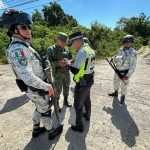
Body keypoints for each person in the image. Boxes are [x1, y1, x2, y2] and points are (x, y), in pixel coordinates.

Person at [2, 9, 63, 140]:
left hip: (36, 88)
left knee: (39, 107)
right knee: (46, 109)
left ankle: (36, 129)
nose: (28, 30)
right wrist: (48, 87)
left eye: (29, 26)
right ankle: (51, 131)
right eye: (24, 27)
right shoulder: (18, 49)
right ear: (14, 30)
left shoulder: (23, 45)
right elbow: (28, 77)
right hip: (36, 88)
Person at [66, 31, 95, 132]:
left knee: (77, 105)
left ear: (77, 41)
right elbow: (84, 63)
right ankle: (87, 115)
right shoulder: (89, 49)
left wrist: (68, 64)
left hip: (82, 82)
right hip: (89, 79)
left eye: (72, 43)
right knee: (87, 99)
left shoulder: (82, 52)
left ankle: (79, 126)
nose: (72, 46)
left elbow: (76, 70)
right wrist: (72, 62)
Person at [47, 32, 72, 112]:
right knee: (57, 90)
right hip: (57, 73)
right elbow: (49, 63)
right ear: (57, 39)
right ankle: (56, 104)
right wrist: (58, 63)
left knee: (66, 87)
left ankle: (65, 100)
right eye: (63, 41)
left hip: (66, 72)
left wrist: (70, 62)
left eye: (65, 42)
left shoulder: (66, 49)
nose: (64, 44)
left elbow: (70, 58)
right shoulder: (50, 49)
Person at [108, 35, 137, 105]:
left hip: (125, 72)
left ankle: (123, 96)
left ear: (132, 43)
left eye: (130, 42)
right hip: (117, 70)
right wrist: (113, 58)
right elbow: (117, 56)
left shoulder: (133, 52)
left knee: (124, 85)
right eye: (126, 42)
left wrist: (128, 75)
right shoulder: (120, 49)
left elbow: (133, 65)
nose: (128, 43)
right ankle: (115, 92)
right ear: (123, 42)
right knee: (115, 82)